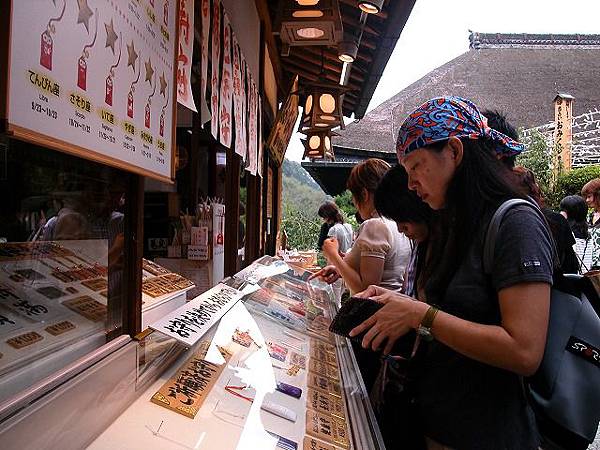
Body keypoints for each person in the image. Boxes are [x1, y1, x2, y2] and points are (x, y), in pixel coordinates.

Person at [351, 97, 552, 450]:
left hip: (486, 434)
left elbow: (524, 351)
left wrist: (420, 314)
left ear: (455, 151)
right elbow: (450, 314)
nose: (411, 183)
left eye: (416, 166)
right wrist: (399, 303)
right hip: (437, 424)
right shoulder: (453, 225)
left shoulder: (516, 222)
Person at [314, 159, 411, 295]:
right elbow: (401, 282)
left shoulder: (374, 225)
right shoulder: (398, 225)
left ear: (364, 194)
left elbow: (366, 290)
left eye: (353, 195)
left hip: (370, 313)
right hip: (390, 309)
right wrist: (340, 271)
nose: (353, 202)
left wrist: (333, 255)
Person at [512, 166, 579, 274]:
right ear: (535, 189)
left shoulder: (501, 220)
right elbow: (571, 263)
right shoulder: (556, 220)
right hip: (555, 284)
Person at [560, 194, 593, 272]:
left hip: (571, 278)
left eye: (563, 210)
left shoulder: (566, 234)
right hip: (587, 279)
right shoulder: (589, 233)